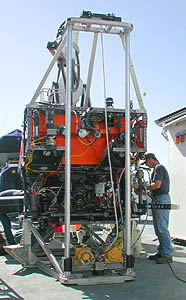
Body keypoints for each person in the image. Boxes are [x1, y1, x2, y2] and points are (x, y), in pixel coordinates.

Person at [140, 152, 173, 264]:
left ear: (150, 159)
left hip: (161, 199)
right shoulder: (156, 169)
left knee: (162, 228)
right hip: (159, 198)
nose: (147, 165)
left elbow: (157, 185)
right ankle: (162, 251)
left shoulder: (159, 168)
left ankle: (167, 254)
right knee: (158, 228)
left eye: (146, 163)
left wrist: (144, 187)